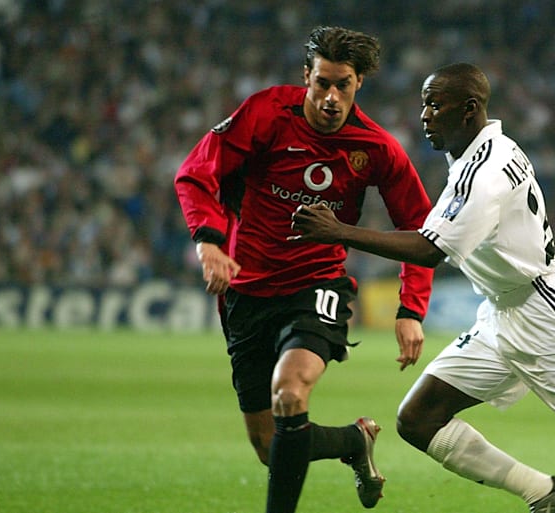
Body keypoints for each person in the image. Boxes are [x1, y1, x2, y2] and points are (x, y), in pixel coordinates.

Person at [291, 62, 555, 513]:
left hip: (547, 315)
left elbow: (429, 250)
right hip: (501, 315)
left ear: (469, 110)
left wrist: (339, 230)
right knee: (418, 420)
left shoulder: (486, 172)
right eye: (423, 103)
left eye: (434, 104)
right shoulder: (479, 152)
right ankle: (543, 492)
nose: (423, 115)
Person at [174, 26, 434, 513]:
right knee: (270, 447)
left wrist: (411, 308)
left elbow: (421, 229)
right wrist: (208, 242)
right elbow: (195, 172)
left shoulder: (377, 148)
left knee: (290, 393)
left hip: (316, 286)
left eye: (344, 85)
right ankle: (354, 442)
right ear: (306, 78)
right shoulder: (266, 113)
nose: (331, 97)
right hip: (246, 291)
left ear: (360, 85)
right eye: (323, 83)